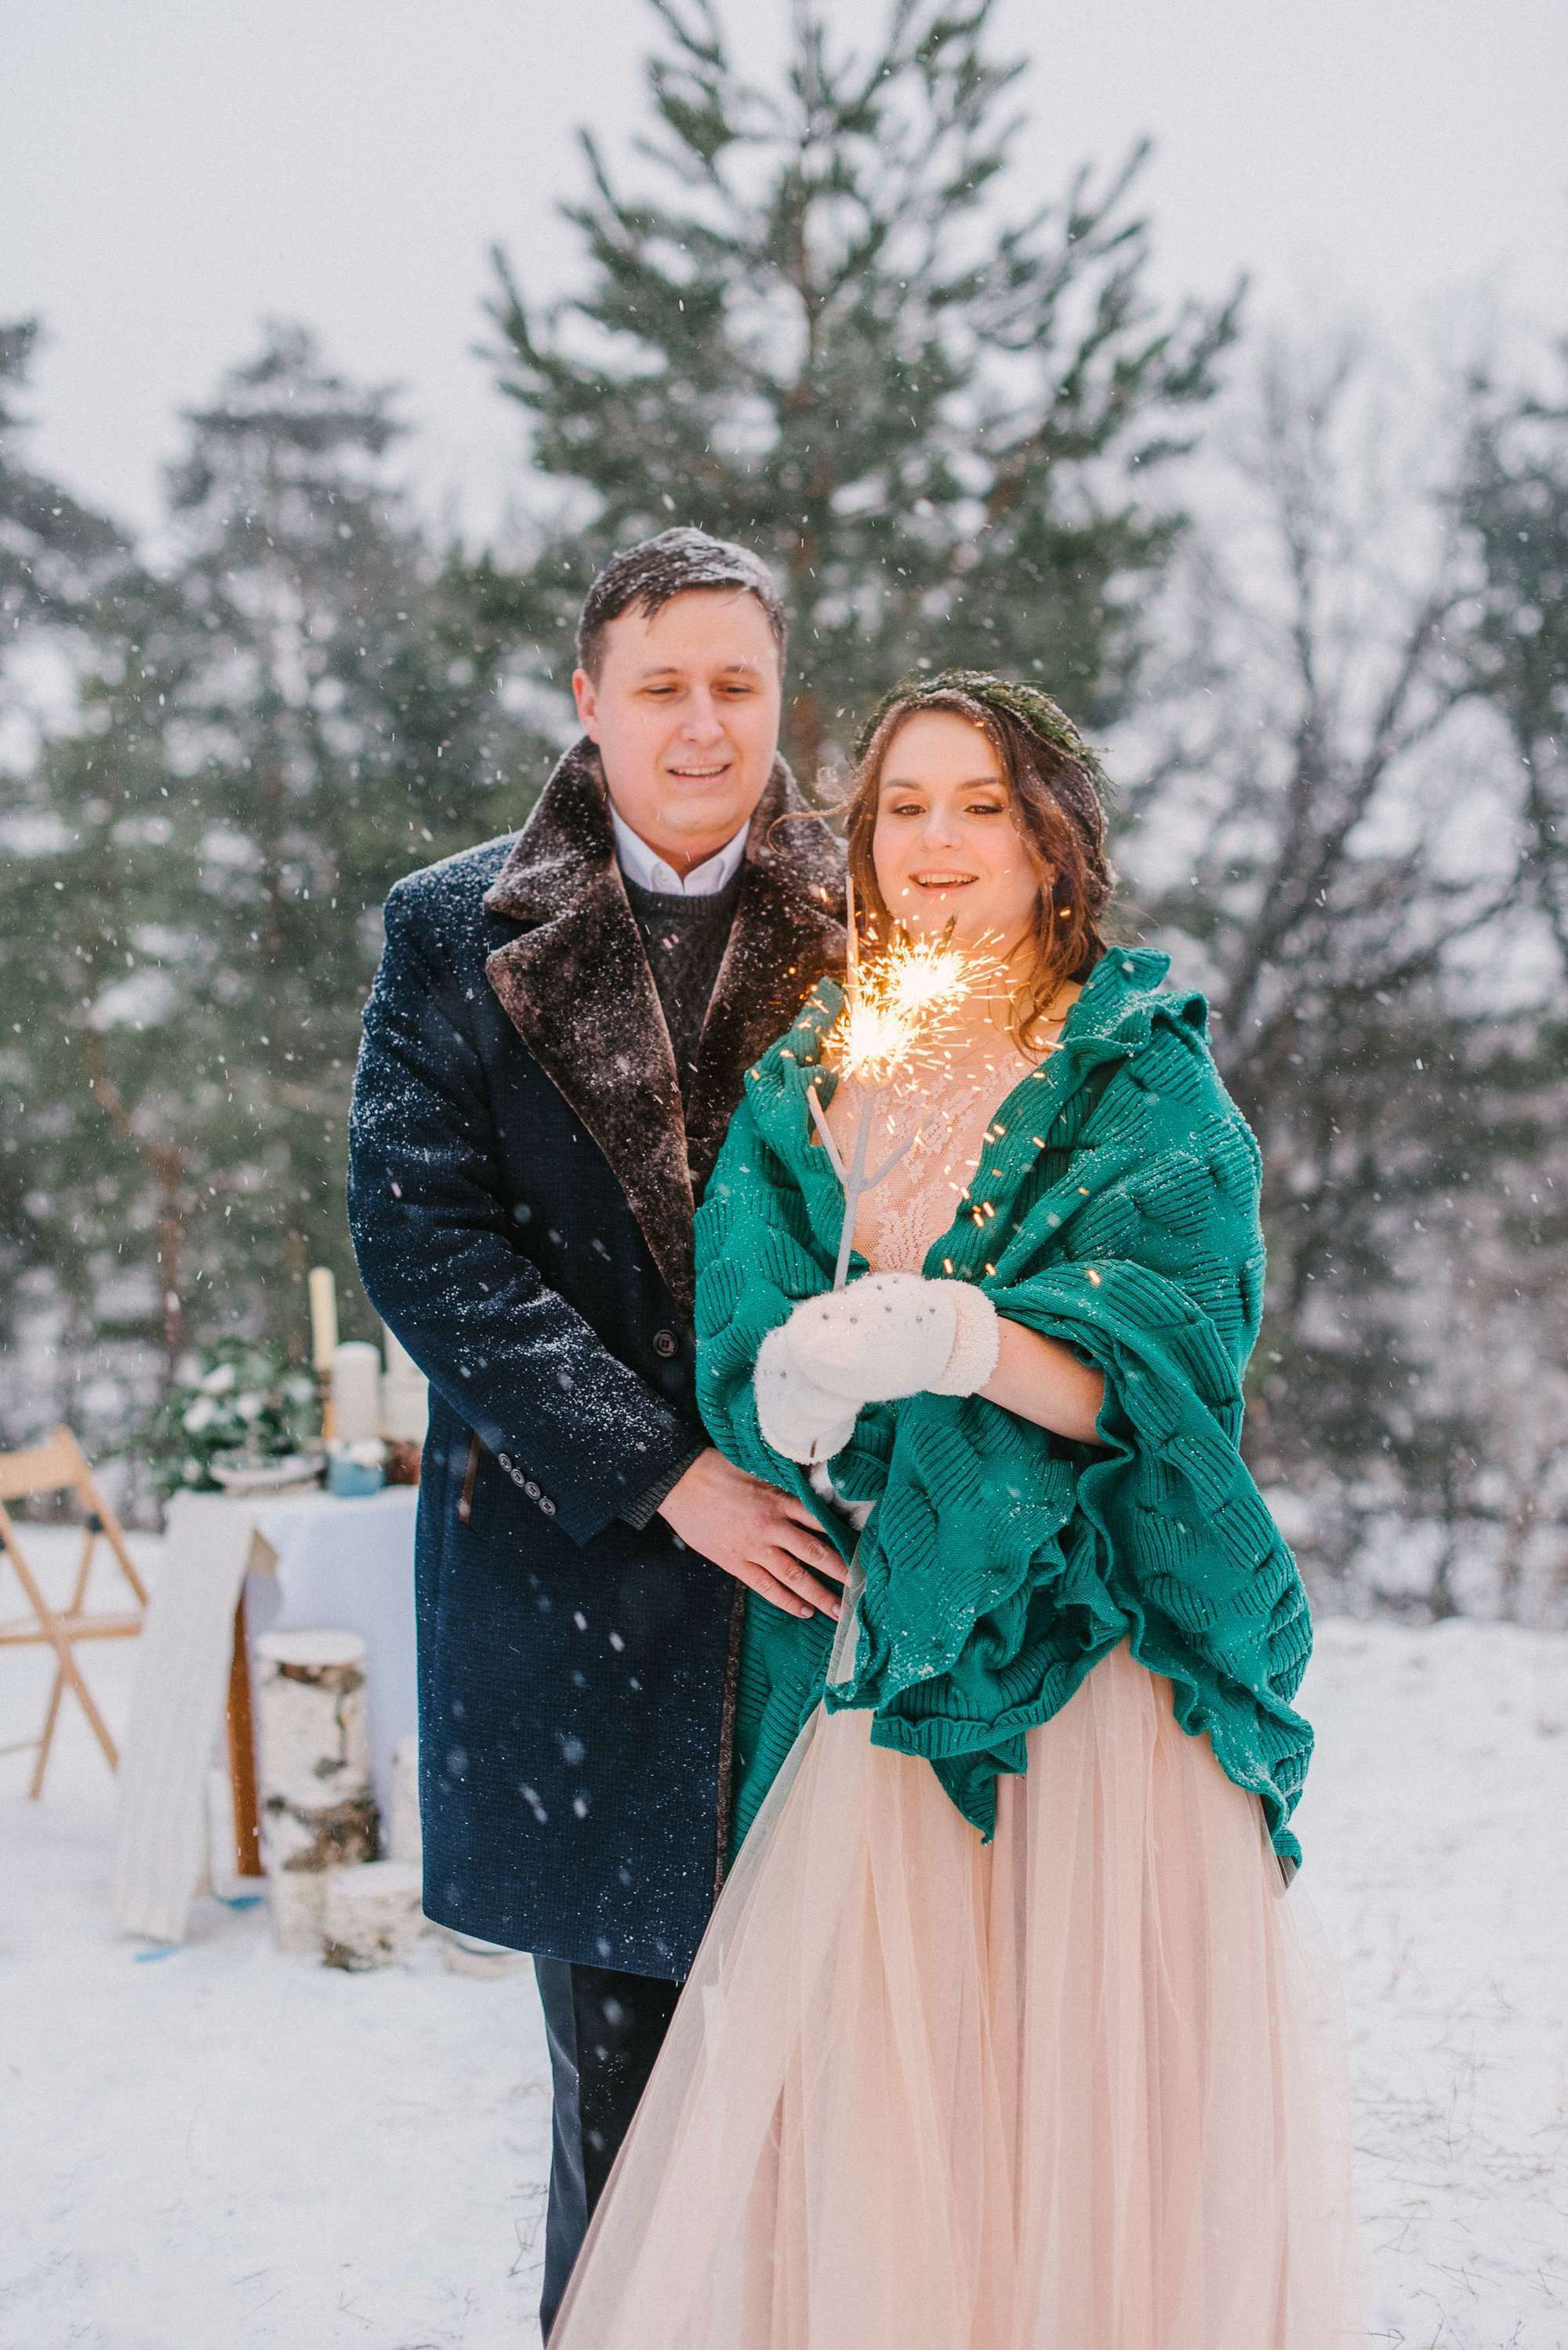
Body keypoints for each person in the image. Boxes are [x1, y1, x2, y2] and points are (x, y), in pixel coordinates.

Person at [546, 672, 1366, 2348]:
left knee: (1081, 2120)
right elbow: (746, 1339)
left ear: (1054, 841)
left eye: (978, 804)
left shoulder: (1141, 1077)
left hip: (1092, 1673)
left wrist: (969, 1336)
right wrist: (788, 1395)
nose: (934, 840)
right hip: (881, 1660)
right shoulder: (808, 1073)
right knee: (884, 2117)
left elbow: (1170, 1370)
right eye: (902, 806)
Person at [346, 528, 847, 2341]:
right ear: (589, 698)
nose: (704, 723)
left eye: (739, 683)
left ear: (782, 698)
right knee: (628, 2116)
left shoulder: (889, 926)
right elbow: (423, 1238)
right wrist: (659, 1466)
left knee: (847, 2101)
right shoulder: (452, 927)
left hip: (830, 1602)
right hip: (575, 1602)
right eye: (664, 685)